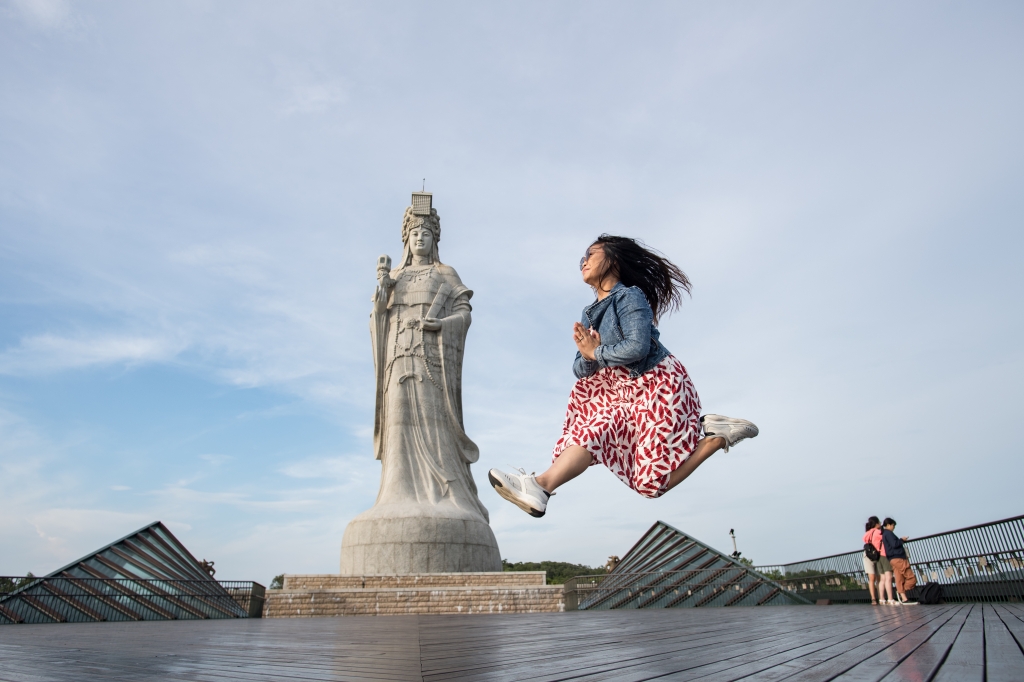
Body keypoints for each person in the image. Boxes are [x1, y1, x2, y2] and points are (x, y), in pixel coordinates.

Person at [488, 235, 759, 517]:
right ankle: (540, 487)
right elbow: (581, 369)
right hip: (623, 393)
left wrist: (596, 353)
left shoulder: (629, 296)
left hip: (658, 384)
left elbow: (637, 347)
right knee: (590, 433)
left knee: (651, 484)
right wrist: (588, 354)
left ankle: (716, 437)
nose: (583, 261)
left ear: (613, 261)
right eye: (582, 258)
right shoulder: (590, 313)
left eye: (590, 255)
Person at [882, 518, 918, 605]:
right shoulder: (888, 533)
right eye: (893, 525)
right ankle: (901, 591)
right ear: (889, 525)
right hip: (898, 558)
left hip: (892, 559)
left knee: (899, 578)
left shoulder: (884, 534)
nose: (894, 527)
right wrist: (902, 540)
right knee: (911, 578)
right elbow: (894, 544)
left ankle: (904, 598)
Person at [862, 516, 893, 605]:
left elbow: (864, 540)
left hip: (868, 554)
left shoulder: (867, 533)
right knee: (879, 577)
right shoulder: (878, 532)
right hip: (877, 554)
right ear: (876, 524)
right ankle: (881, 598)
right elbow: (885, 539)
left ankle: (875, 599)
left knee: (872, 578)